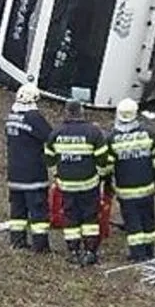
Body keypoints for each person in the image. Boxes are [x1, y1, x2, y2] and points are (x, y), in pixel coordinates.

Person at [44, 99, 111, 266]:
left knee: (70, 217)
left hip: (67, 184)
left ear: (66, 112)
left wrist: (57, 174)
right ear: (82, 112)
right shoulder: (93, 132)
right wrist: (101, 175)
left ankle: (73, 252)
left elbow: (48, 157)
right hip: (89, 183)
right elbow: (103, 158)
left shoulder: (56, 133)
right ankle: (90, 252)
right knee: (90, 217)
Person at [105, 98, 155, 262]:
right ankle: (150, 251)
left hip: (126, 190)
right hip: (147, 186)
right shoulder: (149, 134)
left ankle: (137, 254)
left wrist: (108, 183)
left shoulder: (113, 139)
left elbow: (107, 166)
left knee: (133, 221)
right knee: (148, 219)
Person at [4, 83, 54, 252]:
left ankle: (17, 242)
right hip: (33, 174)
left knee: (18, 211)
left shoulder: (11, 116)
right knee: (38, 212)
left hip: (14, 173)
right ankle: (40, 246)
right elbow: (50, 136)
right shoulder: (33, 117)